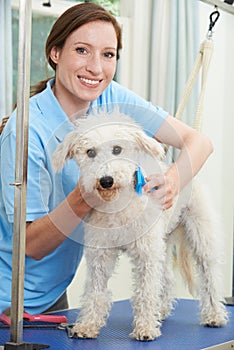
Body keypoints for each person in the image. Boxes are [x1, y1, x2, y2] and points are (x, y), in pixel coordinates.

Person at [0, 2, 213, 315]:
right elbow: (30, 246)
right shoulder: (26, 132)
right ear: (55, 53)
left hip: (55, 297)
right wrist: (85, 197)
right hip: (10, 301)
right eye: (82, 50)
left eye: (108, 54)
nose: (96, 68)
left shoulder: (110, 95)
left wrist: (172, 181)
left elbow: (199, 142)